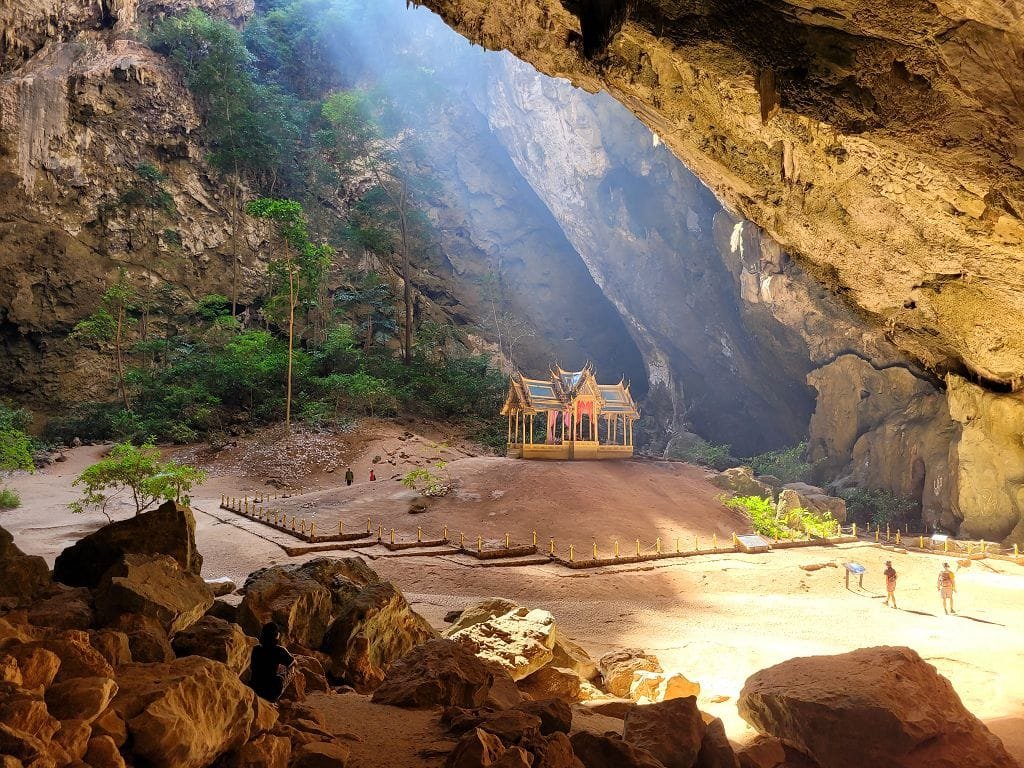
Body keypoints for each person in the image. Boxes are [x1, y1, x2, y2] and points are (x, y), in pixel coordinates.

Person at [249, 622, 295, 702]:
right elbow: (292, 662)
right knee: (292, 668)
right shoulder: (279, 650)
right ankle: (276, 699)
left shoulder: (256, 649)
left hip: (255, 688)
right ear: (276, 635)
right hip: (271, 692)